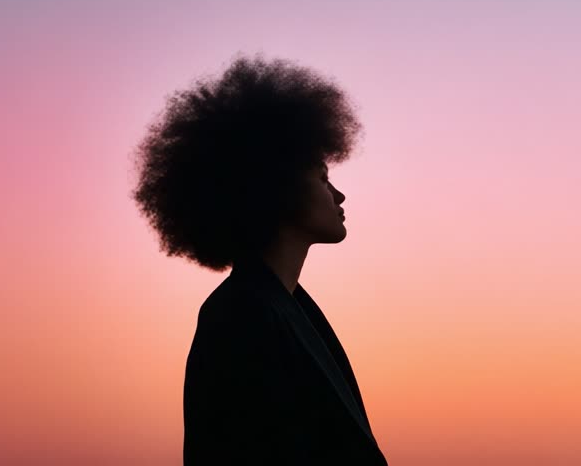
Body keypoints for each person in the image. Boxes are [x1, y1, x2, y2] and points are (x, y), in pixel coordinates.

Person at [132, 54, 389, 465]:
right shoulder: (241, 316)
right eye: (322, 178)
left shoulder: (285, 308)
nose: (338, 196)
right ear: (275, 185)